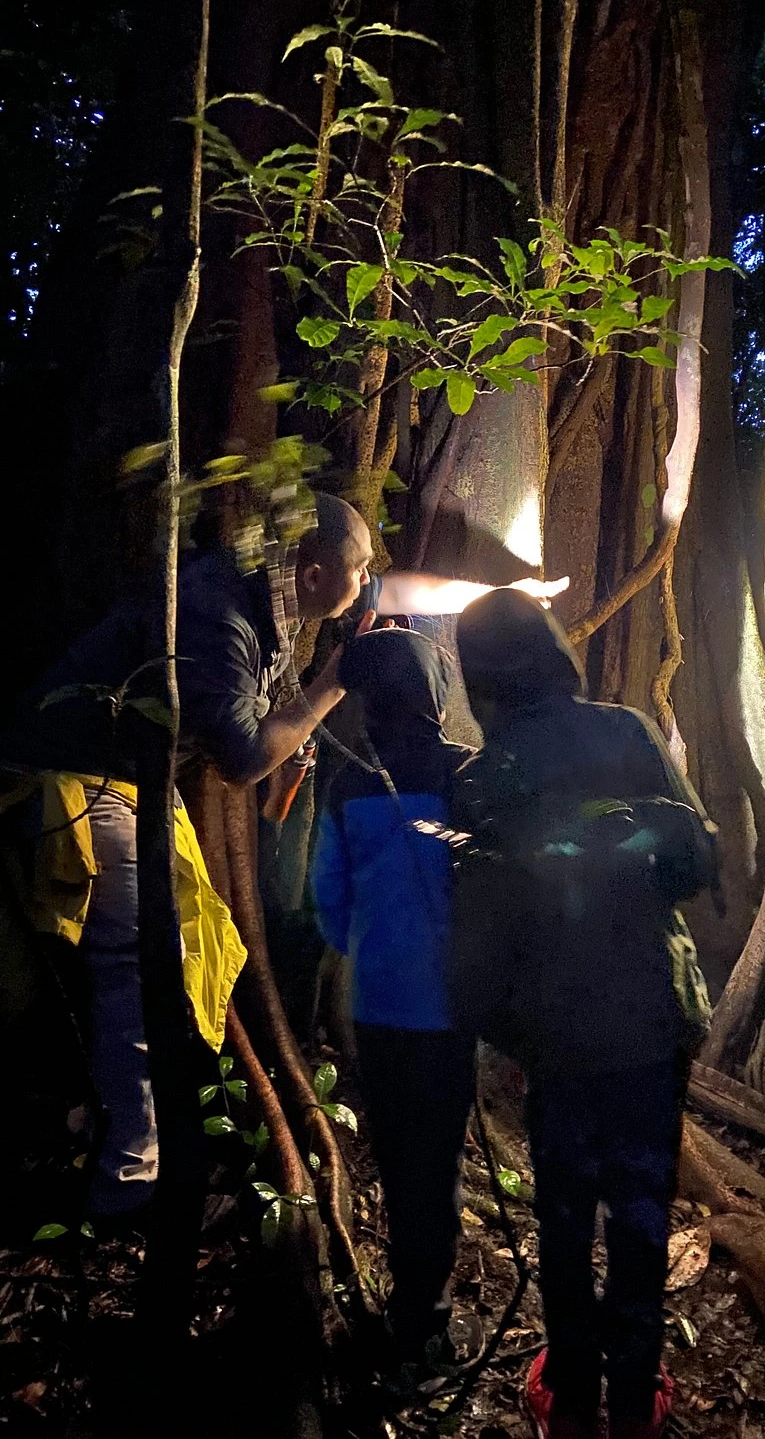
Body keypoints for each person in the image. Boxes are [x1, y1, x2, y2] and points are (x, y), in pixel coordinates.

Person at [0, 490, 566, 1217]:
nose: (369, 586)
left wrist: (505, 593)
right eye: (358, 572)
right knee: (145, 958)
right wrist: (337, 678)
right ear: (313, 572)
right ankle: (130, 1177)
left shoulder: (284, 588)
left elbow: (397, 588)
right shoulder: (220, 614)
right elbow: (241, 761)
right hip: (79, 772)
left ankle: (121, 1123)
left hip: (137, 778)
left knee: (197, 944)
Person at [451, 589, 717, 1439]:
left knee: (563, 1217)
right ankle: (634, 1403)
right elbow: (695, 859)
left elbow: (481, 930)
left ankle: (570, 1396)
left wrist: (501, 1029)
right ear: (554, 649)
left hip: (556, 1034)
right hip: (648, 1012)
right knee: (642, 1211)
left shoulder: (481, 780)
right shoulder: (629, 730)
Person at [309, 628, 476, 1374]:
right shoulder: (466, 777)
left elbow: (328, 900)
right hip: (448, 1011)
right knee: (436, 1165)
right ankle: (425, 1323)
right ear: (437, 697)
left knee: (396, 1153)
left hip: (376, 1006)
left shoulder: (348, 786)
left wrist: (374, 949)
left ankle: (405, 1315)